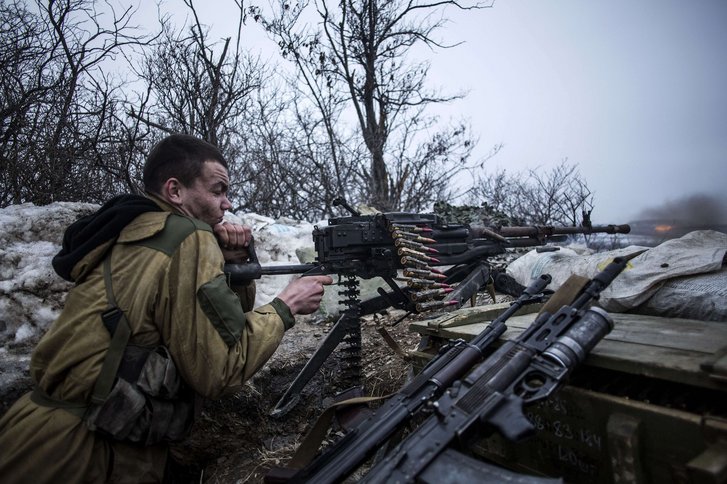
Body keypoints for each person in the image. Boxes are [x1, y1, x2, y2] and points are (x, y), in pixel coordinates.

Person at [0, 134, 333, 482]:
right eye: (217, 190)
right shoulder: (188, 237)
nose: (227, 204)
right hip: (85, 455)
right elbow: (221, 369)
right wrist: (285, 307)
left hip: (32, 434)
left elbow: (202, 322)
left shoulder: (131, 229)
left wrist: (230, 270)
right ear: (175, 191)